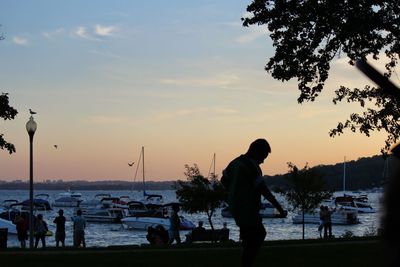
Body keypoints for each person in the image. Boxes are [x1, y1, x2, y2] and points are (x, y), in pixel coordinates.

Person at [221, 138, 286, 267]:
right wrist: (279, 208)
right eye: (263, 157)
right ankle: (247, 263)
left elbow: (224, 181)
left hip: (236, 208)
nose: (263, 161)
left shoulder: (234, 163)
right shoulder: (251, 166)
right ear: (256, 152)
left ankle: (246, 262)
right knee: (259, 234)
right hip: (247, 209)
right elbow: (264, 190)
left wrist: (232, 195)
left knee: (248, 239)